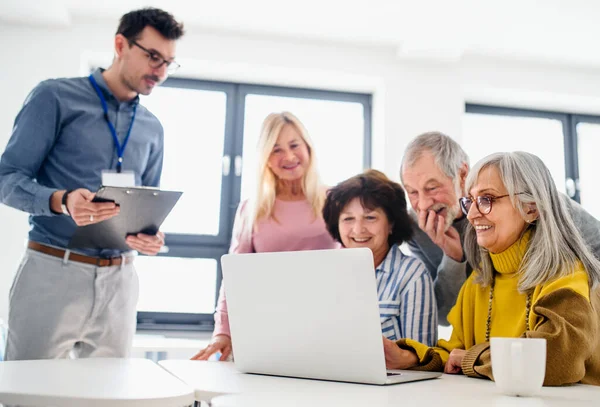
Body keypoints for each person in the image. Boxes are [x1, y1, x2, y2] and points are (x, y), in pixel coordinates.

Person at [0, 8, 185, 360]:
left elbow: (148, 203)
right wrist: (62, 200)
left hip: (121, 281)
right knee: (30, 395)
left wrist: (149, 236)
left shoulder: (153, 128)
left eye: (168, 62)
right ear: (120, 44)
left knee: (108, 396)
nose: (160, 71)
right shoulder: (54, 98)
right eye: (153, 57)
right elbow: (6, 178)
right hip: (53, 271)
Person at [384, 151, 600, 386]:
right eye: (470, 201)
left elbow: (556, 359)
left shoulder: (567, 277)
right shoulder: (478, 283)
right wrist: (406, 357)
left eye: (487, 200)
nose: (474, 215)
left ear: (531, 208)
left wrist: (472, 358)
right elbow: (453, 353)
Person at [400, 131, 600, 324]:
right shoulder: (416, 228)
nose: (424, 204)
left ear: (462, 174)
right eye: (412, 193)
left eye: (432, 188)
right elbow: (444, 315)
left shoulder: (527, 200)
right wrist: (453, 259)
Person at [191, 112, 338, 361]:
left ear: (309, 148)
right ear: (266, 159)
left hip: (325, 323)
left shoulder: (334, 199)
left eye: (294, 146)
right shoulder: (252, 208)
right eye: (276, 150)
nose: (289, 157)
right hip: (265, 326)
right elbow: (235, 275)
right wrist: (223, 332)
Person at [322, 170, 437, 345]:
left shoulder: (412, 275)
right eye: (348, 219)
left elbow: (423, 359)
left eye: (370, 217)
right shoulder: (326, 272)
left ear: (391, 223)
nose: (358, 229)